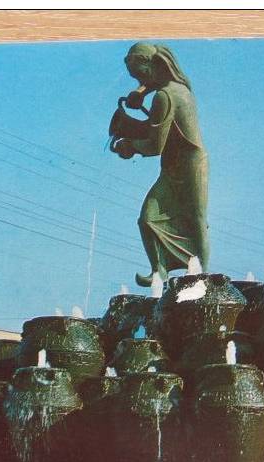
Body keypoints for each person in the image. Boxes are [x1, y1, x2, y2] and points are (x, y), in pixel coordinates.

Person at [111, 42, 210, 287]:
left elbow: (155, 145)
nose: (138, 80)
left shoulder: (166, 97)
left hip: (189, 167)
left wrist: (130, 146)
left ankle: (201, 277)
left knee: (195, 218)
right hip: (173, 166)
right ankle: (160, 271)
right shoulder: (175, 88)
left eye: (140, 75)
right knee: (148, 219)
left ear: (152, 66)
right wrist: (141, 92)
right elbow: (155, 120)